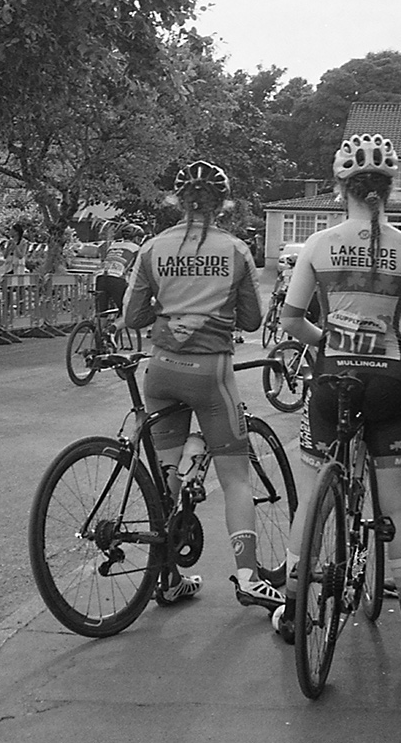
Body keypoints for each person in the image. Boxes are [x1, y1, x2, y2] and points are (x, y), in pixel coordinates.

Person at [274, 133, 401, 657]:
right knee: (396, 507)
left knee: (313, 499)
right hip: (392, 384)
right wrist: (397, 346)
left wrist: (327, 342)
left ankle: (293, 612)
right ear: (390, 190)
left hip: (332, 381)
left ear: (341, 188)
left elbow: (291, 319)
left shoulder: (317, 245)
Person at [121, 161, 278, 610]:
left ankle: (167, 577)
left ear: (177, 201)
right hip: (211, 373)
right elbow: (252, 320)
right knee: (235, 478)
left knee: (165, 477)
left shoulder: (153, 247)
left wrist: (169, 311)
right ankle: (248, 576)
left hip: (162, 370)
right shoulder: (235, 249)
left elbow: (132, 316)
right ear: (222, 205)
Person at [94, 222, 143, 331]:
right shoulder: (137, 249)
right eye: (140, 238)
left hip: (100, 278)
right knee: (128, 312)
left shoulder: (113, 246)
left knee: (102, 313)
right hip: (116, 279)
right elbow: (138, 270)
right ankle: (112, 330)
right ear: (136, 238)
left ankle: (97, 341)